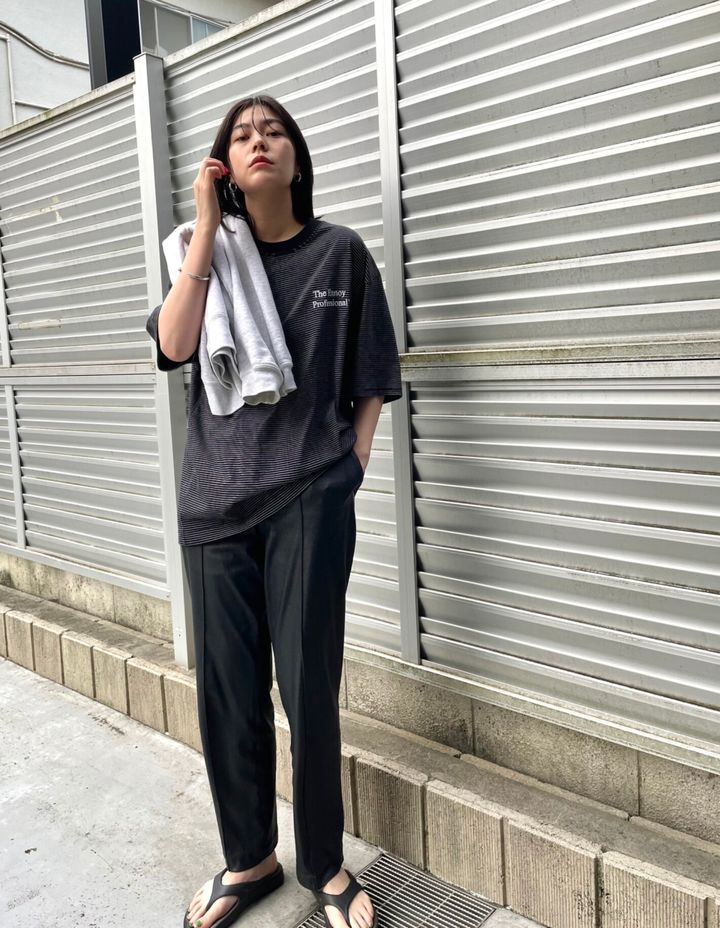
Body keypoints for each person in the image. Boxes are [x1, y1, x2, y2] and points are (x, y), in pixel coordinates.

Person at [145, 93, 401, 928]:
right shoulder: (203, 251)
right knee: (229, 696)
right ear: (224, 163)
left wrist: (350, 466)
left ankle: (324, 864)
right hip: (216, 504)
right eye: (243, 135)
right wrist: (205, 227)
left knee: (307, 687)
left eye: (275, 131)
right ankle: (249, 859)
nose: (260, 142)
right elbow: (175, 345)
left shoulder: (339, 253)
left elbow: (374, 374)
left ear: (297, 156)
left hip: (308, 498)